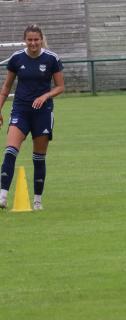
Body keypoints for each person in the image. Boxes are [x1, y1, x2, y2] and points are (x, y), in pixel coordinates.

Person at [0, 24, 64, 210]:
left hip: (42, 113)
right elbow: (6, 88)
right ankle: (2, 196)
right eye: (30, 40)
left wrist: (45, 96)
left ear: (41, 39)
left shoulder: (52, 59)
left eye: (36, 39)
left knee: (38, 157)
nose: (33, 43)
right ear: (25, 40)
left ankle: (37, 201)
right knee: (10, 151)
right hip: (20, 111)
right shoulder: (17, 58)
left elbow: (60, 86)